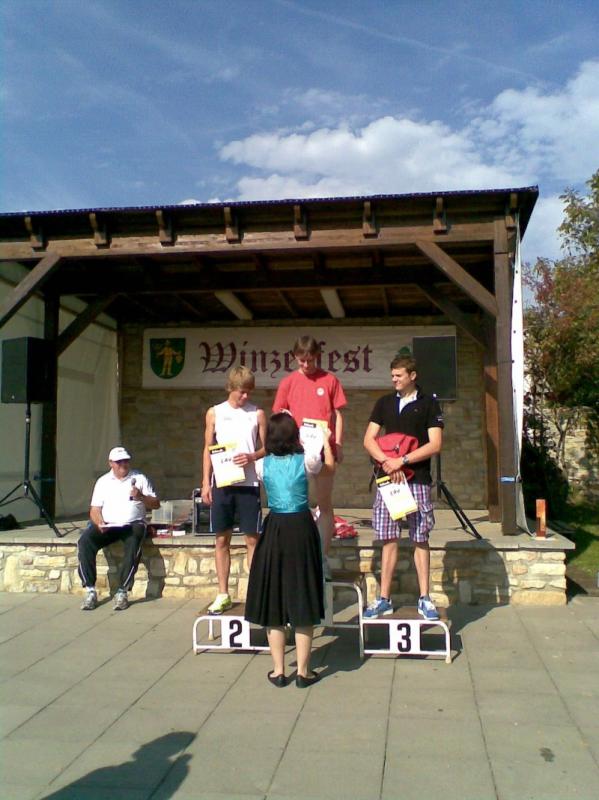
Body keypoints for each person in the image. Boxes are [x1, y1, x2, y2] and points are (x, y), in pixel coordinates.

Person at [245, 413, 333, 687]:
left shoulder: (262, 464)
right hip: (301, 526)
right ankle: (304, 672)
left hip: (275, 527)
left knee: (274, 594)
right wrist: (326, 441)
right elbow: (328, 468)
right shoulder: (307, 460)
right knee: (303, 592)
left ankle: (279, 670)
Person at [363, 355, 444, 621]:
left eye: (399, 375)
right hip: (389, 480)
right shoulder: (384, 403)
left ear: (412, 375)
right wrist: (388, 462)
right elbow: (368, 439)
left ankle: (425, 598)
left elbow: (435, 444)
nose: (394, 380)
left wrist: (403, 460)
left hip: (417, 479)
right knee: (389, 538)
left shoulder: (429, 403)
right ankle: (384, 599)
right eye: (392, 376)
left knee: (420, 537)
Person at [272, 335, 346, 575]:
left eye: (310, 360)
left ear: (317, 356)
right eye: (301, 360)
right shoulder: (288, 382)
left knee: (324, 503)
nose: (306, 365)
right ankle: (298, 557)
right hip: (296, 451)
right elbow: (279, 416)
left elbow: (338, 414)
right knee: (297, 503)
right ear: (295, 358)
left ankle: (322, 558)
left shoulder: (330, 380)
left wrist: (338, 443)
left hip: (324, 450)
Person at [201, 366, 266, 615]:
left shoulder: (257, 413)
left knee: (252, 539)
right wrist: (206, 482)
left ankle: (256, 594)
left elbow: (268, 447)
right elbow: (208, 449)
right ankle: (223, 593)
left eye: (249, 392)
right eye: (242, 392)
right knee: (221, 539)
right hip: (223, 483)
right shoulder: (215, 412)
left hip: (249, 485)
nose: (246, 396)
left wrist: (252, 456)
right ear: (231, 388)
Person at [78, 446, 160, 611]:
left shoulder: (139, 478)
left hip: (132, 524)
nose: (123, 464)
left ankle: (122, 591)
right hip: (109, 524)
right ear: (111, 463)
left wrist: (140, 496)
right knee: (85, 541)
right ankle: (90, 590)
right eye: (119, 462)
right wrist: (99, 522)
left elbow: (156, 504)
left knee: (133, 542)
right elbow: (95, 509)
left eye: (126, 461)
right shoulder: (103, 482)